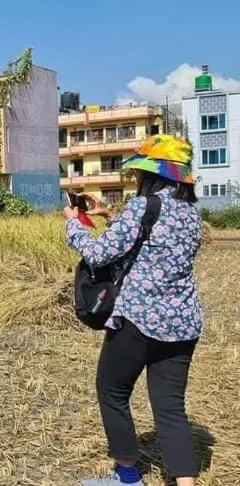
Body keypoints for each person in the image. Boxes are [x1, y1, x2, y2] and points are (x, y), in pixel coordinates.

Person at [64, 135, 202, 486]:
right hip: (183, 323)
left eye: (139, 172)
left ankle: (127, 477)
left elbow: (99, 254)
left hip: (138, 319)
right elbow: (152, 247)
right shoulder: (192, 213)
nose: (137, 178)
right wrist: (109, 215)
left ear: (151, 174)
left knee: (112, 390)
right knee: (170, 409)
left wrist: (72, 222)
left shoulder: (144, 207)